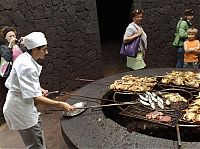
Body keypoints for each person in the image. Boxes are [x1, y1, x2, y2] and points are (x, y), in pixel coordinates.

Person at [3, 32, 75, 149]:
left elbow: (20, 83)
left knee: (36, 138)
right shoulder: (27, 66)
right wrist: (60, 104)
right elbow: (35, 98)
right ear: (35, 49)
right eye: (44, 49)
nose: (47, 52)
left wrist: (38, 89)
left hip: (21, 104)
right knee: (36, 145)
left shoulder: (24, 57)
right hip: (20, 109)